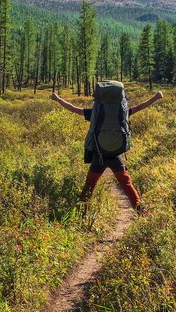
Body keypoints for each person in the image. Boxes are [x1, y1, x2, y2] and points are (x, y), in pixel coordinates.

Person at [51, 85, 163, 216]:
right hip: (116, 156)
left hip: (99, 156)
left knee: (89, 185)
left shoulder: (95, 112)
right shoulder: (122, 111)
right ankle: (141, 212)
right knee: (127, 184)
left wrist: (58, 99)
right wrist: (156, 97)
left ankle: (82, 215)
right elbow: (139, 106)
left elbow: (74, 109)